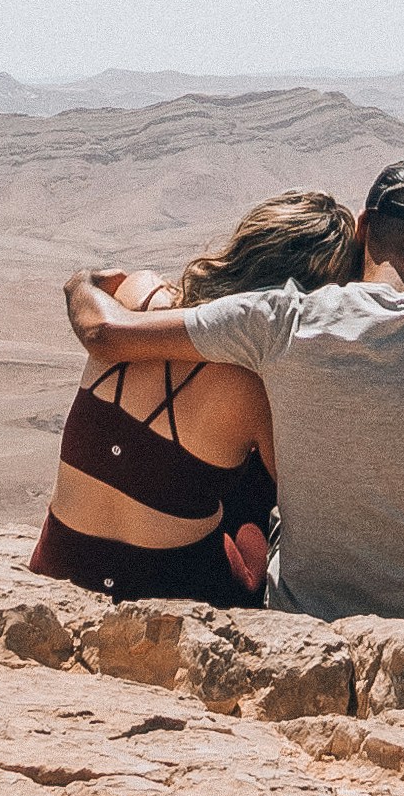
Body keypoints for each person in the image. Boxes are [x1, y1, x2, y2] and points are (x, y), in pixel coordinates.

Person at [62, 151, 404, 634]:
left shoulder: (280, 319)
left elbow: (104, 332)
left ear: (362, 227)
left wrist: (82, 281)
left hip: (306, 608)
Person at [27, 187, 359, 606]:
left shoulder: (140, 293)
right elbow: (304, 504)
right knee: (257, 481)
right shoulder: (256, 388)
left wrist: (81, 281)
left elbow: (100, 324)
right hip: (170, 590)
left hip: (59, 562)